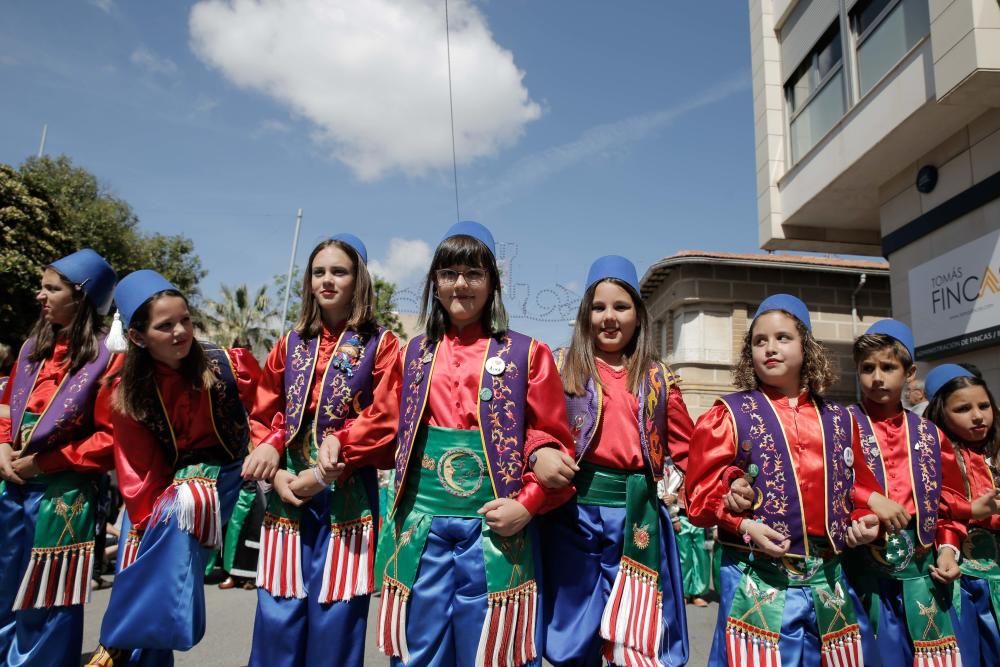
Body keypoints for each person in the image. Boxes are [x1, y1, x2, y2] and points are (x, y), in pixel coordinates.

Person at [375, 221, 576, 667]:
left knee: (490, 652)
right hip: (421, 528)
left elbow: (552, 441)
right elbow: (380, 425)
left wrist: (527, 503)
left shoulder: (527, 353)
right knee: (418, 651)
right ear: (434, 283)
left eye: (474, 273)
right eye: (449, 273)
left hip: (496, 527)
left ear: (493, 284)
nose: (460, 284)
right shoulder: (412, 354)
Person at [686, 294, 880, 667]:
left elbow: (858, 491)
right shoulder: (730, 414)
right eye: (760, 341)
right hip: (756, 576)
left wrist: (862, 522)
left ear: (806, 346)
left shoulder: (841, 419)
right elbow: (698, 496)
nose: (770, 348)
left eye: (782, 338)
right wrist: (740, 519)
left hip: (829, 580)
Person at [242, 234, 401, 667]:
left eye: (339, 271)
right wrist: (274, 464)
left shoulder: (381, 345)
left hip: (344, 493)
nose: (327, 280)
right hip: (288, 493)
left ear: (359, 280)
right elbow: (265, 409)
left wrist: (335, 457)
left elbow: (386, 416)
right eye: (319, 272)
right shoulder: (291, 342)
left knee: (336, 617)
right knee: (277, 613)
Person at [88, 270, 260, 666]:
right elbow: (139, 469)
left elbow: (267, 411)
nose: (181, 331)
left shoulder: (228, 364)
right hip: (157, 493)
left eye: (185, 319)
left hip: (221, 484)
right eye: (165, 326)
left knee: (190, 500)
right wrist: (151, 528)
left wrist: (265, 446)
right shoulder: (126, 390)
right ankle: (127, 643)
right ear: (136, 337)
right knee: (142, 556)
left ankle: (116, 639)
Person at [541, 255, 693, 667]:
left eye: (621, 307)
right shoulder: (559, 366)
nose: (610, 318)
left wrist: (699, 489)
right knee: (573, 628)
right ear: (586, 313)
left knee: (636, 632)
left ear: (639, 316)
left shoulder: (659, 377)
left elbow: (688, 450)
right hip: (573, 512)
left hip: (638, 513)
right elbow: (534, 429)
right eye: (599, 307)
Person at [0, 249, 118, 665]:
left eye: (52, 288)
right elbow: (7, 409)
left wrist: (43, 463)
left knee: (44, 601)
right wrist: (2, 447)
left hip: (61, 495)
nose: (40, 295)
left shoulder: (109, 357)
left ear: (80, 298)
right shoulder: (33, 347)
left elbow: (109, 438)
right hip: (9, 487)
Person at [845, 320, 968, 666]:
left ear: (909, 372)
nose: (878, 378)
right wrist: (864, 503)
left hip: (921, 572)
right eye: (867, 368)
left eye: (888, 367)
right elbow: (826, 484)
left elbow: (950, 505)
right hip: (863, 570)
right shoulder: (840, 425)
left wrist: (948, 550)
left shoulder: (930, 434)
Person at [924, 364, 1000, 666]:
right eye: (963, 409)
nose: (978, 416)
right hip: (961, 582)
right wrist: (972, 510)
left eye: (984, 406)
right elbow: (939, 508)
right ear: (942, 413)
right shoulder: (936, 457)